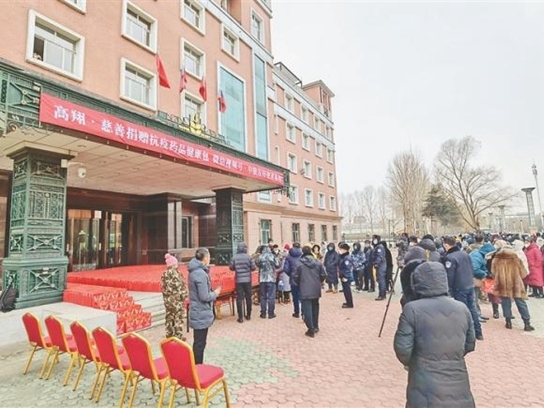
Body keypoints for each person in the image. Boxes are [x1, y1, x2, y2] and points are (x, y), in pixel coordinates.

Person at [394, 262, 476, 408]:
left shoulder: (412, 309)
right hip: (457, 376)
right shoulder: (462, 308)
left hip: (423, 378)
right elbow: (470, 343)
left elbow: (402, 349)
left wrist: (414, 362)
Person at [442, 236, 483, 341]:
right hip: (469, 284)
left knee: (462, 311)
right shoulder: (465, 254)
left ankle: (466, 334)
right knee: (472, 308)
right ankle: (478, 332)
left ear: (446, 244)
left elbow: (450, 275)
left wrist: (448, 289)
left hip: (459, 287)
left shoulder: (450, 258)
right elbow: (471, 268)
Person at [491, 240, 535, 331]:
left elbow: (493, 272)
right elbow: (523, 273)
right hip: (515, 283)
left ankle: (508, 322)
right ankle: (526, 323)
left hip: (502, 283)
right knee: (521, 302)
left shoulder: (496, 258)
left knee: (505, 302)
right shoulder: (515, 258)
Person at [188, 247, 220, 364]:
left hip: (198, 311)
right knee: (200, 343)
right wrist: (215, 293)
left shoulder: (195, 271)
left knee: (199, 342)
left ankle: (196, 365)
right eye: (209, 256)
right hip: (200, 312)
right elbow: (204, 296)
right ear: (205, 258)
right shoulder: (200, 274)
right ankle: (197, 367)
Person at [292, 246, 326, 338]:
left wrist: (300, 283)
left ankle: (311, 329)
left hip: (304, 288)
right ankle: (315, 326)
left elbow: (295, 276)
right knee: (315, 307)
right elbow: (323, 274)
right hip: (315, 288)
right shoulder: (317, 262)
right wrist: (318, 281)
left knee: (307, 309)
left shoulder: (299, 263)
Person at [161, 253, 188, 340]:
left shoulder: (164, 274)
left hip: (168, 300)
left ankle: (169, 334)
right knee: (178, 317)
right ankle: (178, 336)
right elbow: (180, 287)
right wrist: (185, 295)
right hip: (177, 300)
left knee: (169, 317)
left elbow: (163, 287)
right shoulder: (176, 273)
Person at [229, 242, 257, 323]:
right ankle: (248, 315)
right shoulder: (249, 257)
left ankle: (240, 317)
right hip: (247, 280)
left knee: (239, 298)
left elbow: (231, 267)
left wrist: (237, 269)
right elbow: (253, 268)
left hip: (238, 280)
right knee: (248, 298)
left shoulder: (234, 257)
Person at [469, 241, 495, 321]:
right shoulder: (476, 256)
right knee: (473, 298)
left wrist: (486, 272)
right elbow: (475, 269)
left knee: (475, 298)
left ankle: (477, 314)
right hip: (472, 279)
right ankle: (475, 316)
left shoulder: (479, 255)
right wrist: (485, 274)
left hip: (475, 279)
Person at [257, 245, 281, 319]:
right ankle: (271, 314)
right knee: (271, 296)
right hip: (271, 279)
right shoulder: (273, 256)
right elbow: (278, 265)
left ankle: (263, 313)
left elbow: (257, 264)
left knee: (263, 296)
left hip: (262, 279)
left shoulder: (260, 257)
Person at [283, 243, 303, 317]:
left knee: (295, 297)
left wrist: (290, 274)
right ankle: (303, 312)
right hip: (302, 279)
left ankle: (296, 312)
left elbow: (285, 268)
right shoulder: (302, 256)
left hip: (293, 279)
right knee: (303, 296)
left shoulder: (289, 257)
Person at [338, 242, 354, 308]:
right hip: (343, 275)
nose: (340, 251)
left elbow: (347, 268)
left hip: (345, 276)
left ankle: (350, 303)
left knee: (347, 290)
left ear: (345, 250)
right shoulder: (343, 257)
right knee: (345, 290)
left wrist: (345, 277)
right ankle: (348, 302)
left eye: (341, 249)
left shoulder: (347, 258)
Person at [371, 235, 387, 301]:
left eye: (375, 239)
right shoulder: (377, 247)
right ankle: (382, 294)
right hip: (380, 265)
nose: (374, 240)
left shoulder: (379, 247)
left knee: (381, 280)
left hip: (381, 265)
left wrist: (376, 263)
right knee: (380, 280)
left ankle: (382, 295)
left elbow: (379, 256)